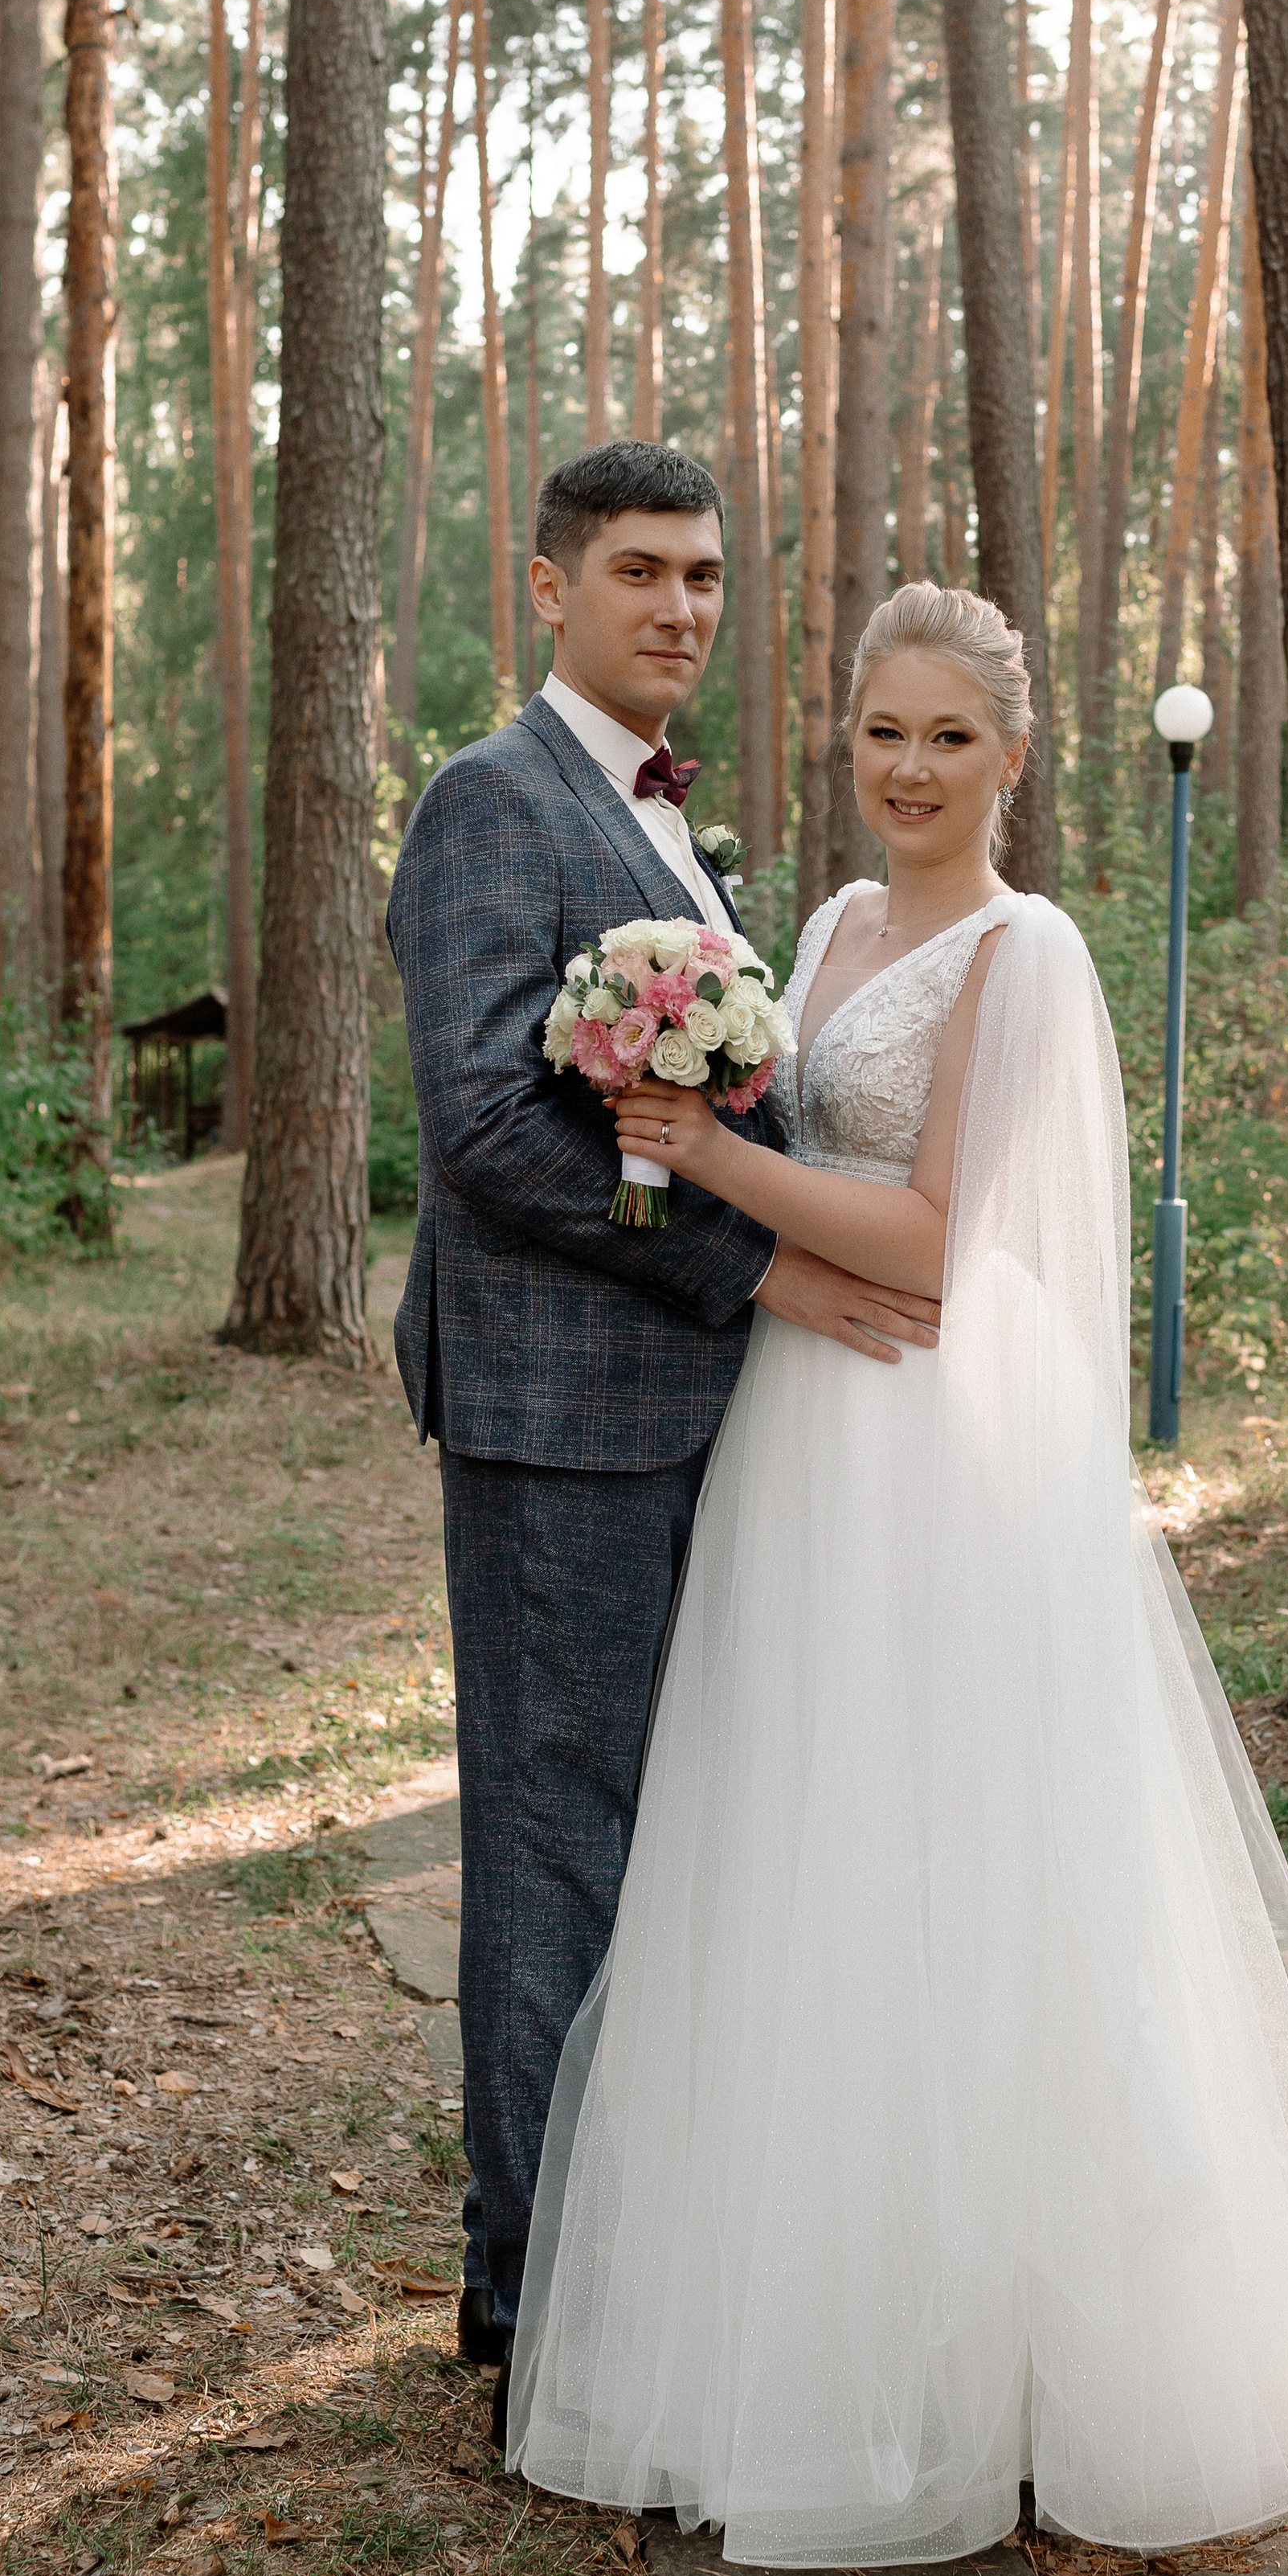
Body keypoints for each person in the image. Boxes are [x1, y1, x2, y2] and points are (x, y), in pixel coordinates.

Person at [506, 579, 1288, 2566]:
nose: (911, 770)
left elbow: (945, 1241)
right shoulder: (837, 928)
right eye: (880, 733)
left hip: (937, 1440)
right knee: (807, 1846)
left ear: (1012, 758)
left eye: (950, 737)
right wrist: (701, 1138)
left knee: (976, 1853)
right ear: (843, 743)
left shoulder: (1028, 956)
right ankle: (808, 2331)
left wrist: (691, 1146)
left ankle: (1033, 2361)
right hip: (804, 1427)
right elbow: (823, 1159)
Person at [386, 443, 945, 2447]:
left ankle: (635, 2256)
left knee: (662, 1849)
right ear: (549, 590)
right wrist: (755, 1275)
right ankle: (531, 2298)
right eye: (639, 574)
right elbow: (486, 1128)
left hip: (686, 1426)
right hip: (562, 1424)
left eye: (705, 577)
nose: (680, 610)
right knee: (556, 1847)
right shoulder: (488, 800)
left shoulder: (670, 831)